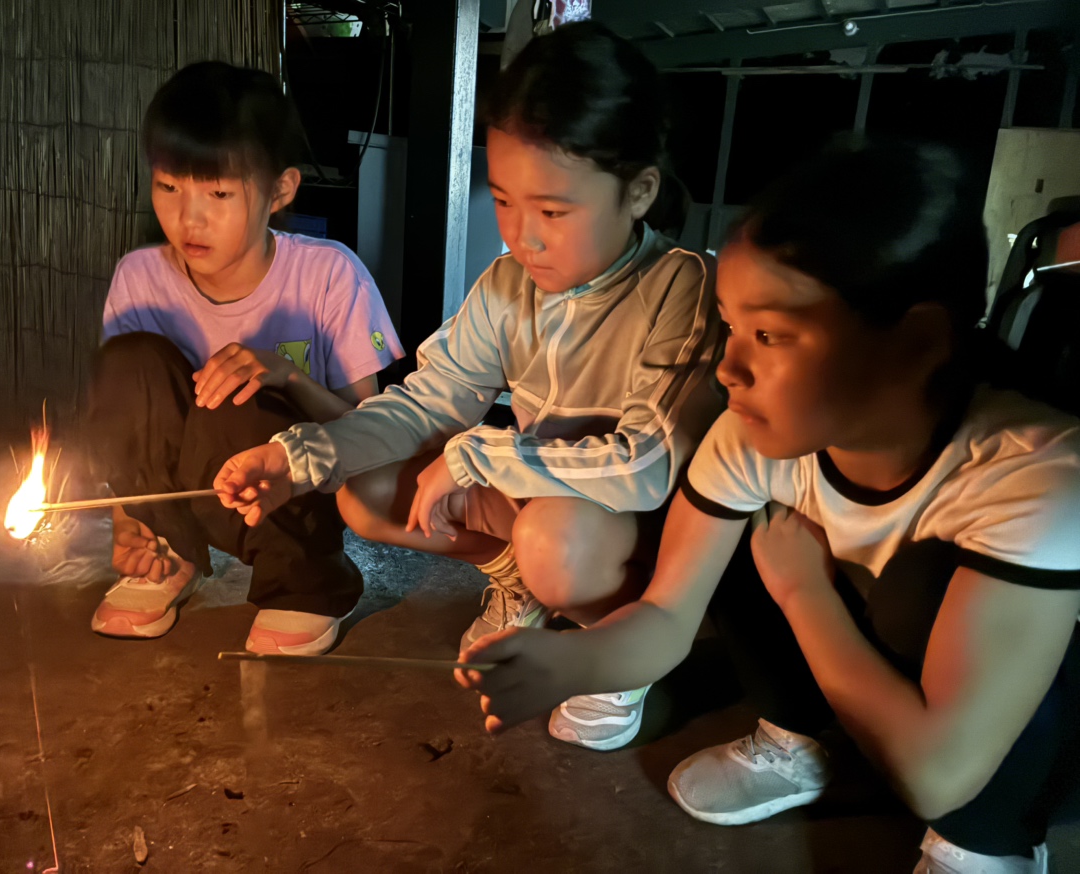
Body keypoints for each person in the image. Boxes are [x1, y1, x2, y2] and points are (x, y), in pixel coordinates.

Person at [455, 138, 1080, 873]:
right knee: (744, 534)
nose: (728, 367)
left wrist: (804, 592)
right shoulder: (753, 436)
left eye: (770, 335)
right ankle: (804, 737)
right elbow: (668, 614)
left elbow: (938, 775)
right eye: (729, 326)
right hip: (883, 673)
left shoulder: (1034, 473)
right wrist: (578, 658)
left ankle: (989, 842)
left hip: (1010, 737)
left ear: (915, 343)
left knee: (917, 583)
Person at [212, 21, 723, 749]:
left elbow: (648, 466)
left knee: (553, 538)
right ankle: (523, 587)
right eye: (505, 200)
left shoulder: (683, 288)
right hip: (546, 503)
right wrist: (298, 457)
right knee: (369, 490)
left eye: (553, 210)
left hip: (634, 531)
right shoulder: (509, 284)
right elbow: (428, 402)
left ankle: (616, 643)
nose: (523, 235)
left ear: (638, 191)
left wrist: (478, 456)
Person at [86, 61, 403, 655]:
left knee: (243, 397)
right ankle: (166, 552)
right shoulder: (140, 278)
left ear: (280, 190)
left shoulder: (329, 276)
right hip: (190, 492)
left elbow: (371, 434)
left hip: (289, 498)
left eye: (219, 193)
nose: (189, 218)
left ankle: (307, 580)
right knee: (126, 364)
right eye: (169, 187)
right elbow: (128, 421)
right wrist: (128, 520)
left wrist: (288, 375)